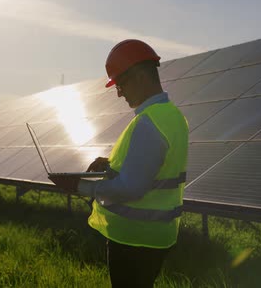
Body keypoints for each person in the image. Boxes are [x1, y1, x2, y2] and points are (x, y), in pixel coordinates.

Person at [49, 39, 189, 288]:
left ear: (139, 76)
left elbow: (131, 188)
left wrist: (79, 187)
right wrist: (110, 163)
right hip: (156, 236)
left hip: (135, 238)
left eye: (121, 83)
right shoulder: (172, 117)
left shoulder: (148, 124)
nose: (119, 92)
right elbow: (154, 168)